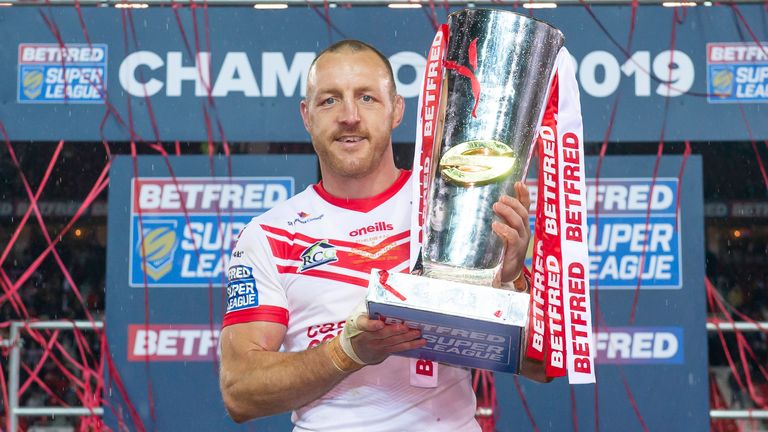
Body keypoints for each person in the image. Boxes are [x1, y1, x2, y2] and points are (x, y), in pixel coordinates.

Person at [218, 40, 544, 431]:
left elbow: (540, 366)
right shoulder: (270, 234)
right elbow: (240, 391)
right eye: (329, 101)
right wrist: (345, 353)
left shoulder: (450, 209)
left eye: (367, 98)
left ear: (397, 110)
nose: (350, 116)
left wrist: (511, 282)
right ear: (306, 116)